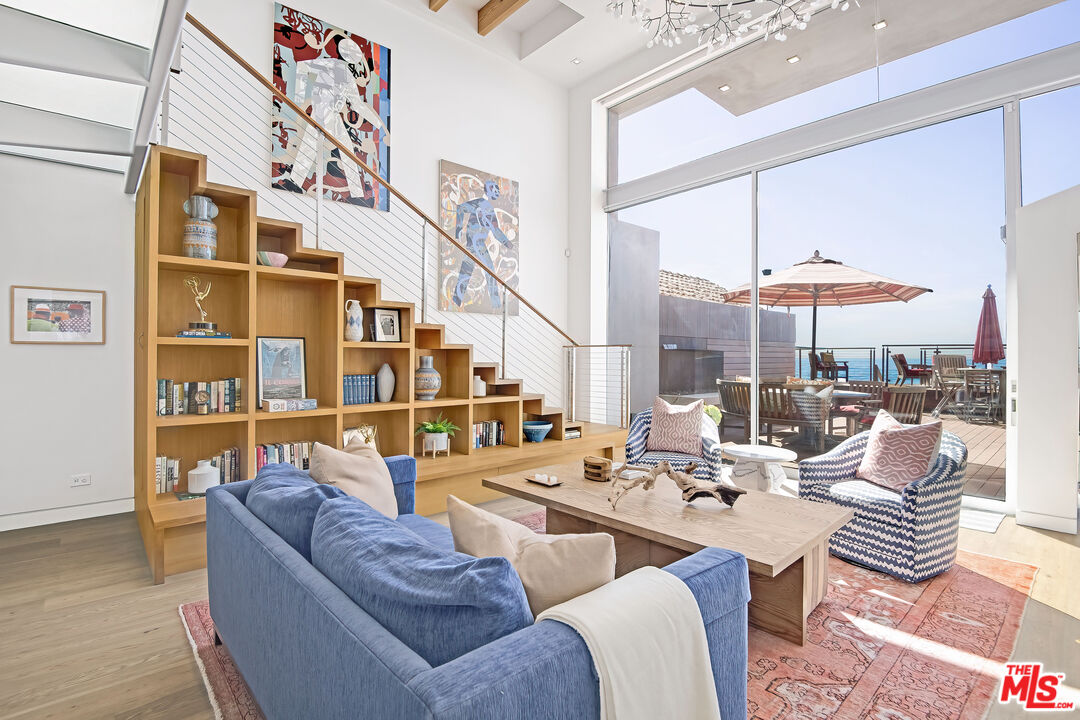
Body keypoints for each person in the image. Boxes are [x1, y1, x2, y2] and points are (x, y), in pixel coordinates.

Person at [287, 36, 390, 201]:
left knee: (344, 151)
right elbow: (302, 66)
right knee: (310, 146)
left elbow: (356, 104)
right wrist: (299, 100)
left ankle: (356, 193)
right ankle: (296, 180)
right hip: (321, 112)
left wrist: (378, 123)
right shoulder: (330, 64)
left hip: (333, 115)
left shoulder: (347, 74)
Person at [451, 180, 512, 310]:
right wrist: (458, 231)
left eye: (497, 189)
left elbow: (496, 231)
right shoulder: (480, 203)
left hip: (476, 244)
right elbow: (460, 208)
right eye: (495, 189)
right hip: (476, 243)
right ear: (489, 190)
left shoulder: (488, 208)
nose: (497, 192)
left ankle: (456, 300)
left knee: (466, 272)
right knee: (490, 272)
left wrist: (508, 243)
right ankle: (496, 305)